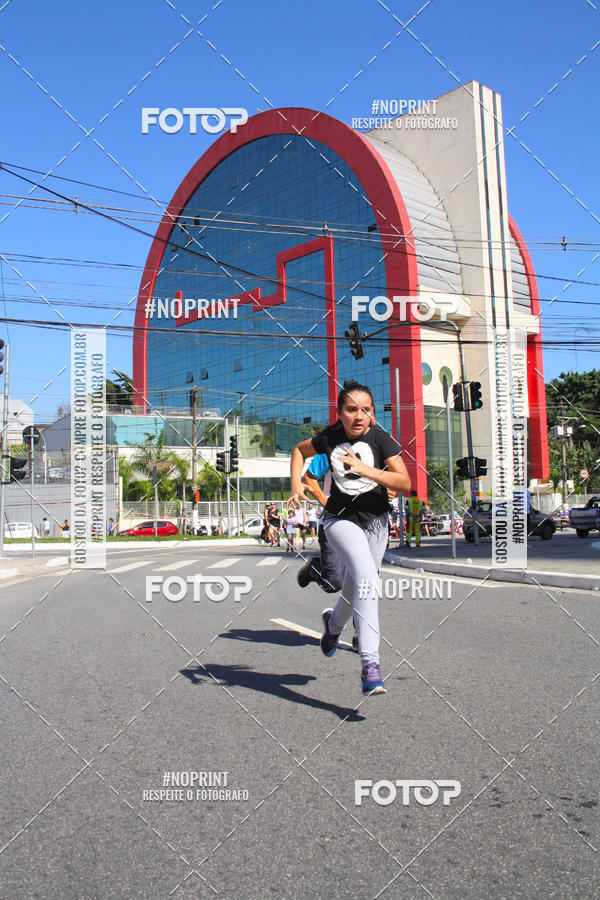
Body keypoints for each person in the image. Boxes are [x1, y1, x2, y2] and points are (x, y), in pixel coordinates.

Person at [290, 380, 410, 695]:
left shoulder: (381, 439)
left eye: (366, 410)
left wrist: (367, 469)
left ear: (372, 414)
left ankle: (333, 626)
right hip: (339, 519)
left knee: (356, 584)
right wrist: (295, 486)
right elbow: (298, 452)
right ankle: (371, 666)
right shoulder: (329, 437)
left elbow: (405, 482)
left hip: (376, 523)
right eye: (351, 409)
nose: (358, 415)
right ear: (340, 413)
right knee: (368, 579)